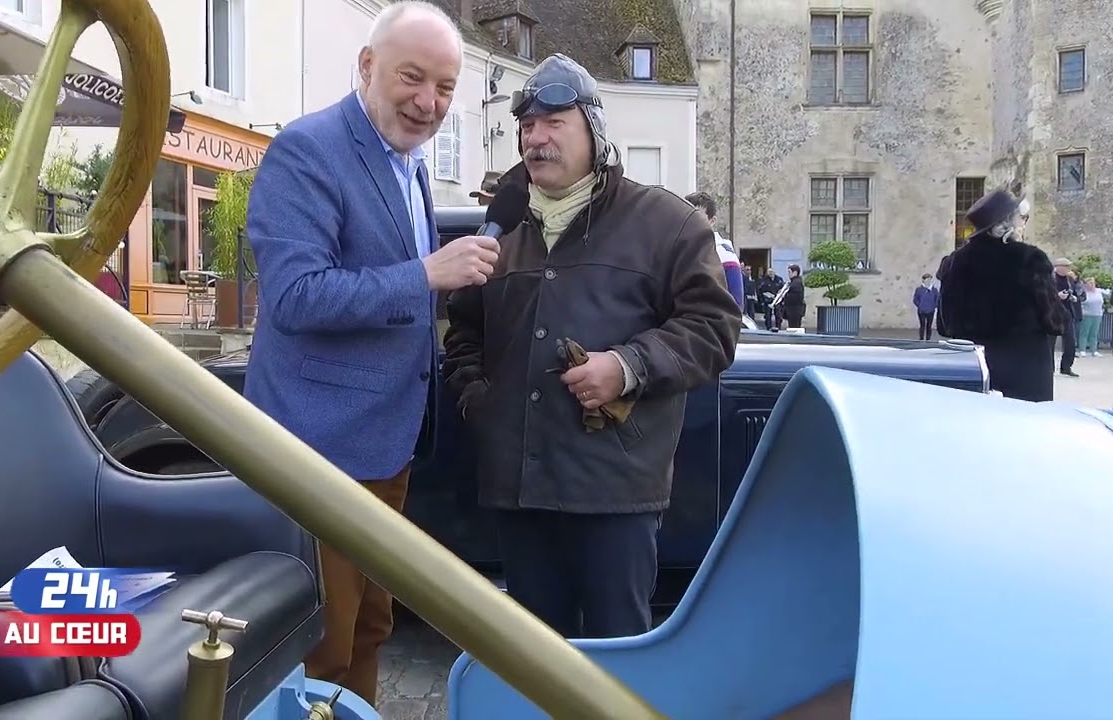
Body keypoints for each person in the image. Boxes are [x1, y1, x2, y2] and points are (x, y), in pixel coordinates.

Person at [240, 2, 501, 706]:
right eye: (412, 78)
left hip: (386, 447)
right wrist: (426, 274)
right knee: (323, 639)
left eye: (445, 88)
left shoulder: (407, 162)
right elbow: (295, 297)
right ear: (365, 67)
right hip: (316, 451)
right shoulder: (308, 149)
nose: (428, 102)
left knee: (369, 626)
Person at [442, 54, 741, 640]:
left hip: (614, 491)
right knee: (534, 656)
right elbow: (463, 333)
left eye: (555, 122)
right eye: (528, 126)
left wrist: (628, 366)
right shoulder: (500, 232)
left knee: (615, 658)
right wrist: (479, 399)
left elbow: (713, 327)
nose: (536, 138)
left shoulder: (668, 224)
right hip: (518, 489)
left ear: (594, 131)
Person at [936, 189, 1063, 401]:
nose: (1023, 223)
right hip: (1026, 371)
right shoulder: (1030, 260)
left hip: (975, 369)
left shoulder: (953, 263)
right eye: (1021, 218)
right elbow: (1055, 321)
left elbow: (944, 325)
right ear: (1007, 223)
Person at [684, 192, 745, 312]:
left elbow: (736, 305)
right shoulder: (681, 249)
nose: (690, 222)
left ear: (712, 221)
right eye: (686, 216)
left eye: (697, 217)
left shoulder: (724, 254)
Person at [1052, 258, 1082, 377]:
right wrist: (1057, 296)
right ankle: (1050, 368)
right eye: (1066, 266)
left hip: (1067, 312)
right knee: (1050, 342)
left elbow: (1077, 293)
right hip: (1053, 312)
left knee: (1070, 341)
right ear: (1059, 267)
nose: (1068, 269)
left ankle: (1066, 367)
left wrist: (1072, 297)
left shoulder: (1070, 279)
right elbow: (1045, 293)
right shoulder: (1050, 278)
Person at [1077, 276, 1107, 357]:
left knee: (1094, 333)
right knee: (1084, 332)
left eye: (1093, 283)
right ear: (1086, 285)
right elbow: (1080, 301)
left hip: (1097, 314)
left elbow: (1108, 292)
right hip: (1086, 314)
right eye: (1089, 283)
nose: (1091, 285)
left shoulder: (1099, 291)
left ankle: (1094, 350)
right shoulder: (1084, 292)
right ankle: (1082, 349)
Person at [912, 273, 939, 341]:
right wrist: (920, 305)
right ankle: (921, 338)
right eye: (927, 279)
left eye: (929, 279)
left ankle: (928, 339)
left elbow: (937, 298)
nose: (928, 281)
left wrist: (934, 306)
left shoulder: (934, 290)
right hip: (921, 311)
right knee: (922, 325)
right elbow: (915, 299)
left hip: (931, 310)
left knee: (929, 326)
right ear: (923, 280)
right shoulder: (919, 289)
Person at [780, 264, 805, 330]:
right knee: (793, 327)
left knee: (794, 328)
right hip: (793, 310)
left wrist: (784, 296)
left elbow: (795, 297)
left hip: (794, 310)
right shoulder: (794, 282)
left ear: (795, 272)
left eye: (789, 272)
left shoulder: (796, 283)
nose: (788, 274)